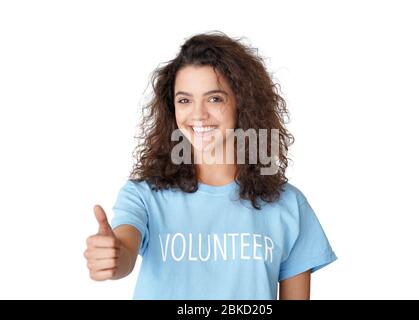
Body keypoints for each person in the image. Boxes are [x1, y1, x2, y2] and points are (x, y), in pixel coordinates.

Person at [84, 31, 337, 300]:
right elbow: (125, 247)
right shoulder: (144, 196)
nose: (198, 114)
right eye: (184, 100)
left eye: (214, 98)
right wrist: (114, 256)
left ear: (243, 103)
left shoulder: (289, 206)